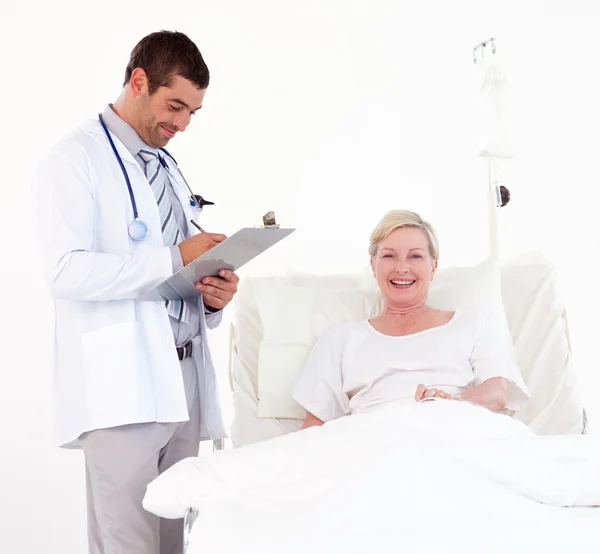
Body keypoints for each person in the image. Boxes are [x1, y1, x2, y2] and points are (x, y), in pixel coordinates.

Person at [32, 31, 238, 554]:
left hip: (185, 376)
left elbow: (176, 270)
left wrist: (211, 293)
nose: (182, 124)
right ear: (138, 81)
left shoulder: (164, 163)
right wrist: (176, 258)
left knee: (177, 541)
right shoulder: (73, 158)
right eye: (175, 106)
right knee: (128, 543)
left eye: (193, 112)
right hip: (121, 385)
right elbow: (65, 272)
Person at [292, 210, 529, 430]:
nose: (402, 268)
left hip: (453, 432)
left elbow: (497, 393)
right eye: (389, 256)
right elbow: (312, 431)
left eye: (415, 256)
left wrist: (448, 402)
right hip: (372, 444)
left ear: (433, 266)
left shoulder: (472, 323)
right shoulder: (340, 341)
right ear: (373, 266)